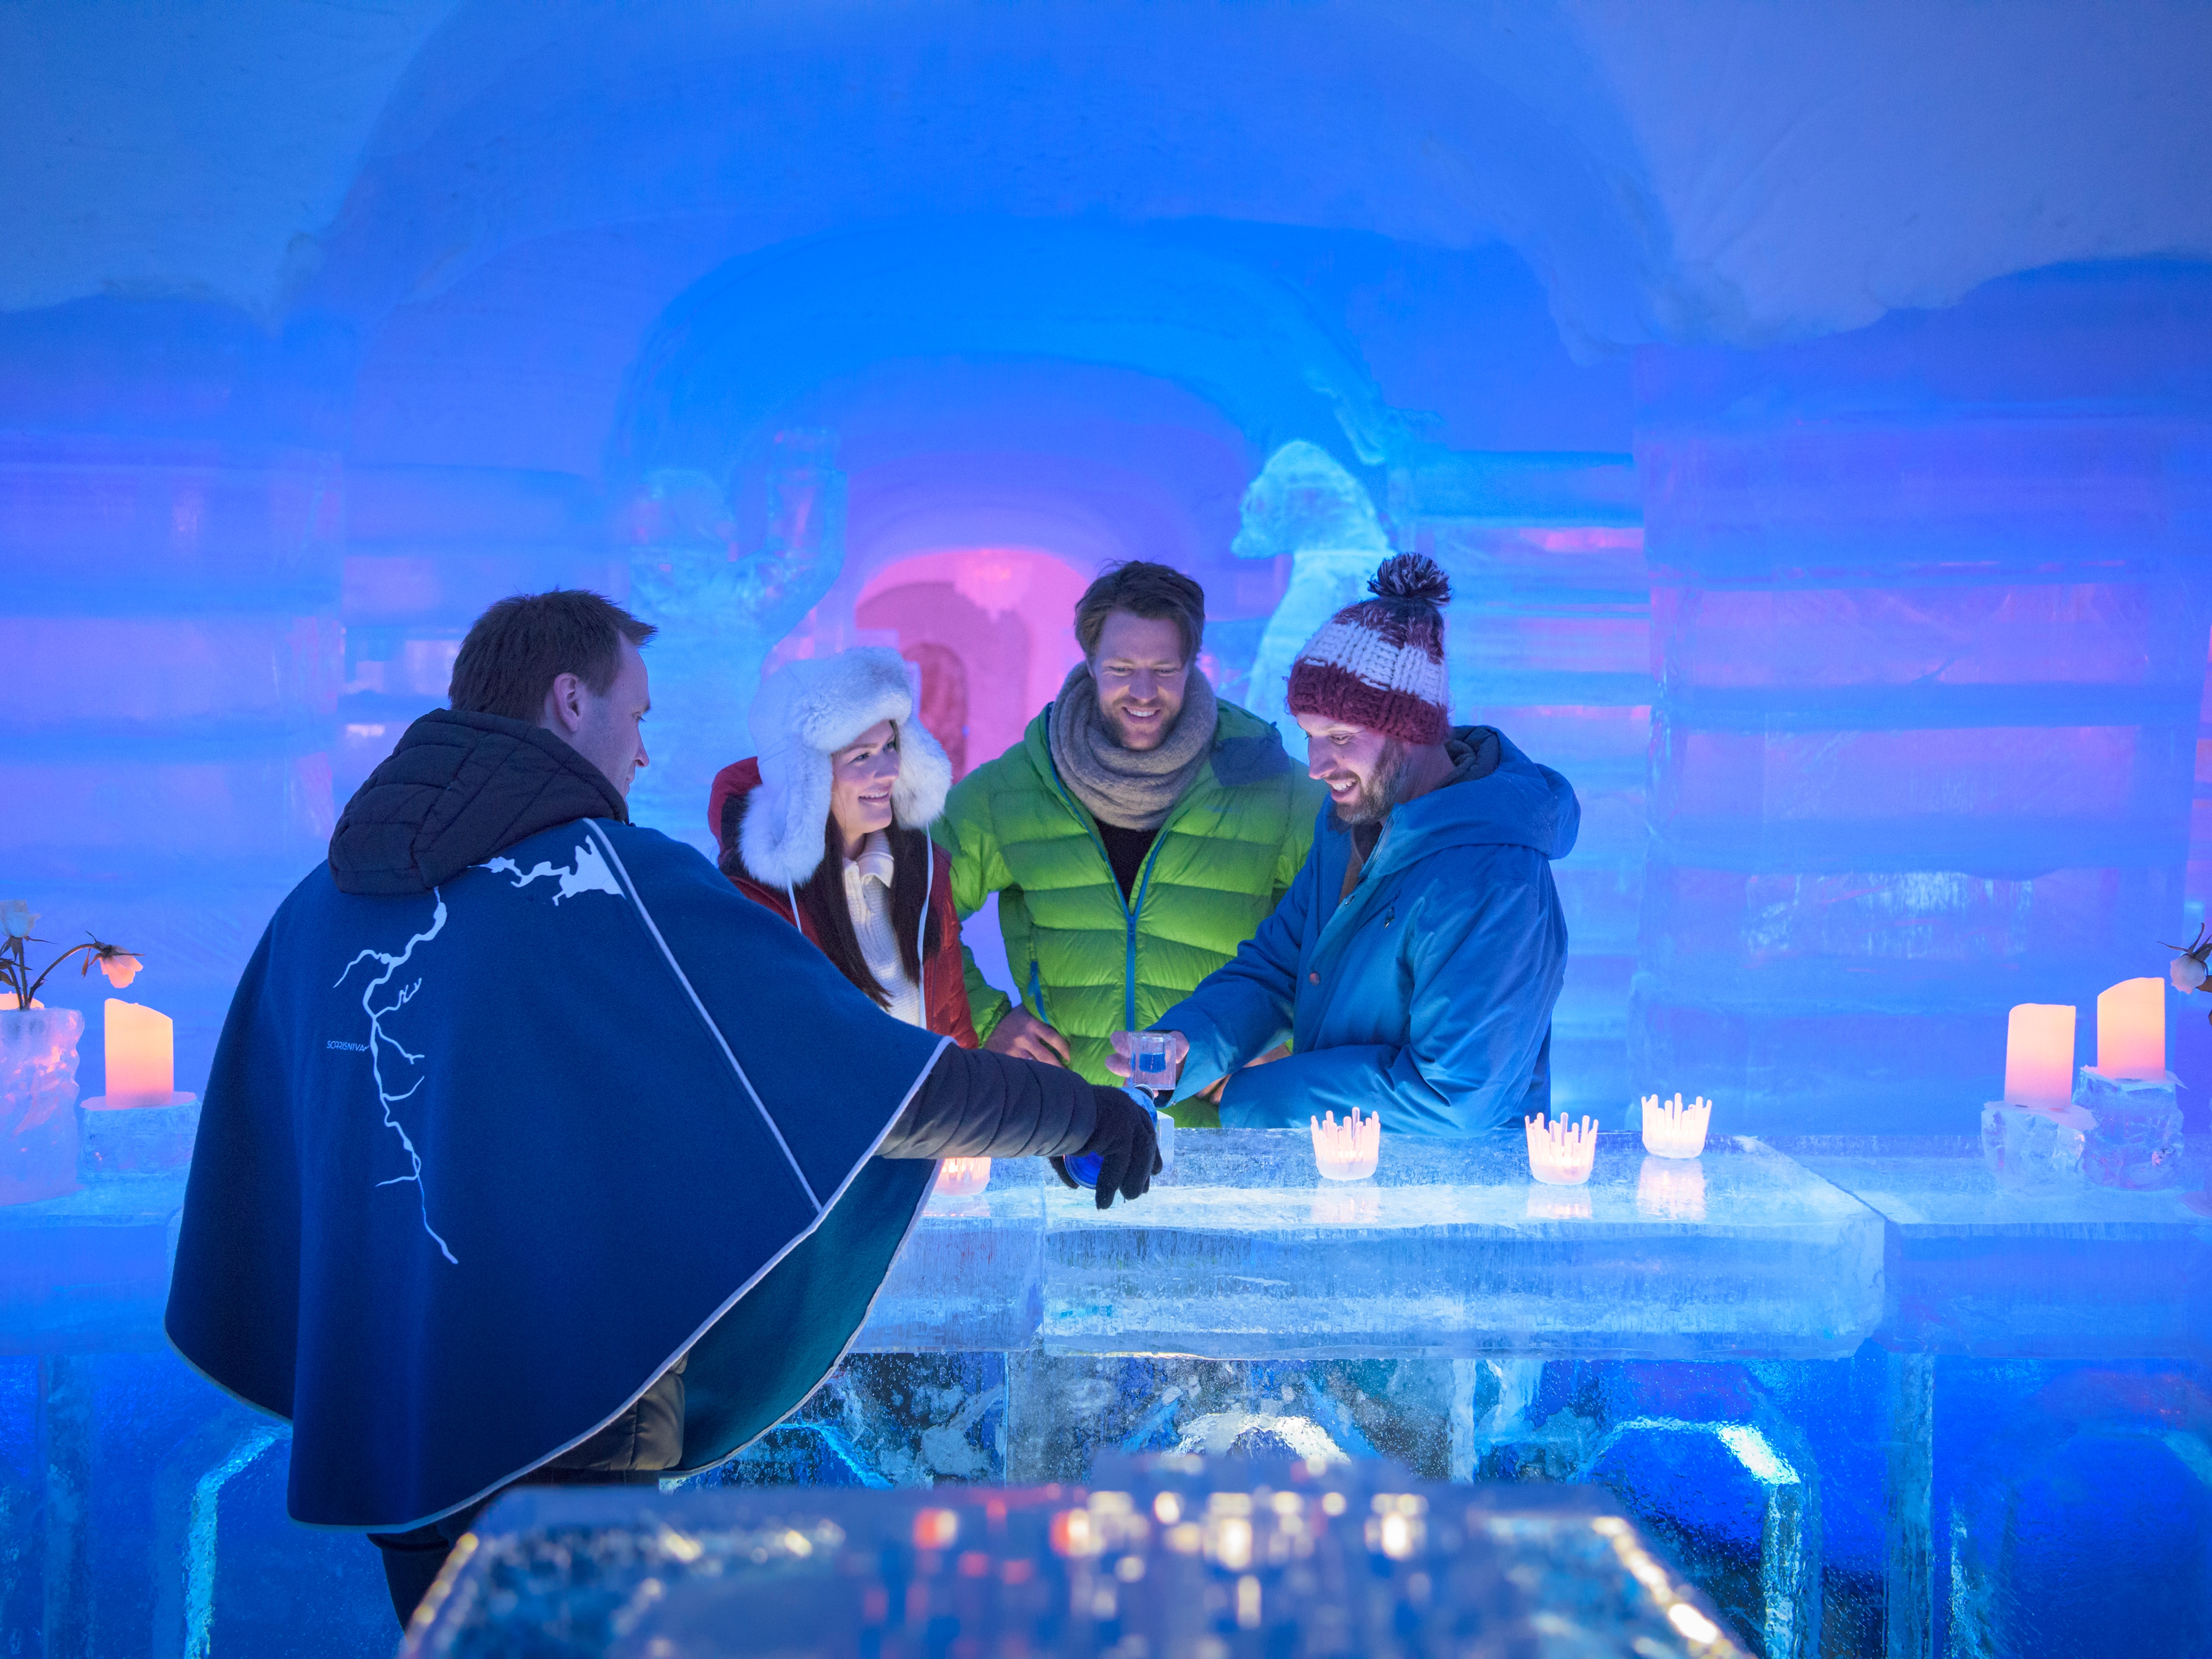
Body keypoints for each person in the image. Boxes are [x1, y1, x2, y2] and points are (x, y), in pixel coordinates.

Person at [163, 590, 1158, 1632]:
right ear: (569, 701)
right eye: (635, 716)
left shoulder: (319, 907)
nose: (641, 754)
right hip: (571, 1426)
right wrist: (1081, 1115)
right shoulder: (608, 886)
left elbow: (262, 1153)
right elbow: (867, 1082)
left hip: (391, 1420)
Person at [1112, 554, 1578, 1137]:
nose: (1316, 766)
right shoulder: (1351, 826)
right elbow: (1277, 970)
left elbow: (1457, 1097)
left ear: (1411, 732)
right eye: (1309, 735)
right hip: (1345, 1168)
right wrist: (1184, 1050)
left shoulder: (1492, 877)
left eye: (1339, 737)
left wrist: (1258, 1096)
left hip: (1453, 1191)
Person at [934, 561, 1328, 1119]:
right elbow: (908, 905)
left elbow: (1353, 930)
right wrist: (986, 1019)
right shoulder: (1012, 790)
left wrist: (1281, 1041)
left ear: (1193, 665)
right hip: (1067, 1123)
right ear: (1090, 663)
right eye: (1121, 668)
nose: (1143, 692)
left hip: (1216, 1133)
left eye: (1164, 669)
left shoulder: (1272, 788)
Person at [709, 648, 976, 1046]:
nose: (890, 771)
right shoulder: (757, 906)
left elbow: (955, 1036)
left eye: (890, 746)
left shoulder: (925, 875)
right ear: (806, 783)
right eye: (862, 757)